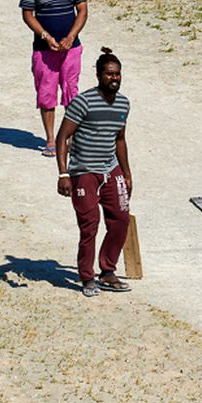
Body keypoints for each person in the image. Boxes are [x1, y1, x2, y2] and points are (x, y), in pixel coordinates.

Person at [55, 48, 132, 298]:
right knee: (90, 225)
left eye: (118, 74)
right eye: (110, 74)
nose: (115, 78)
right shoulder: (83, 102)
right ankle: (87, 277)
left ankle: (108, 271)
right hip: (84, 171)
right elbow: (63, 137)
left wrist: (127, 174)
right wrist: (63, 174)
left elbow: (120, 139)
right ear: (99, 75)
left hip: (111, 169)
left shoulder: (123, 103)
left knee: (120, 220)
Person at [20, 0, 88, 157]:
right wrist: (45, 36)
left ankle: (70, 139)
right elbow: (28, 14)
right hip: (44, 50)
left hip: (71, 48)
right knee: (46, 94)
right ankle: (51, 140)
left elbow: (83, 11)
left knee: (71, 93)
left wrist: (71, 36)